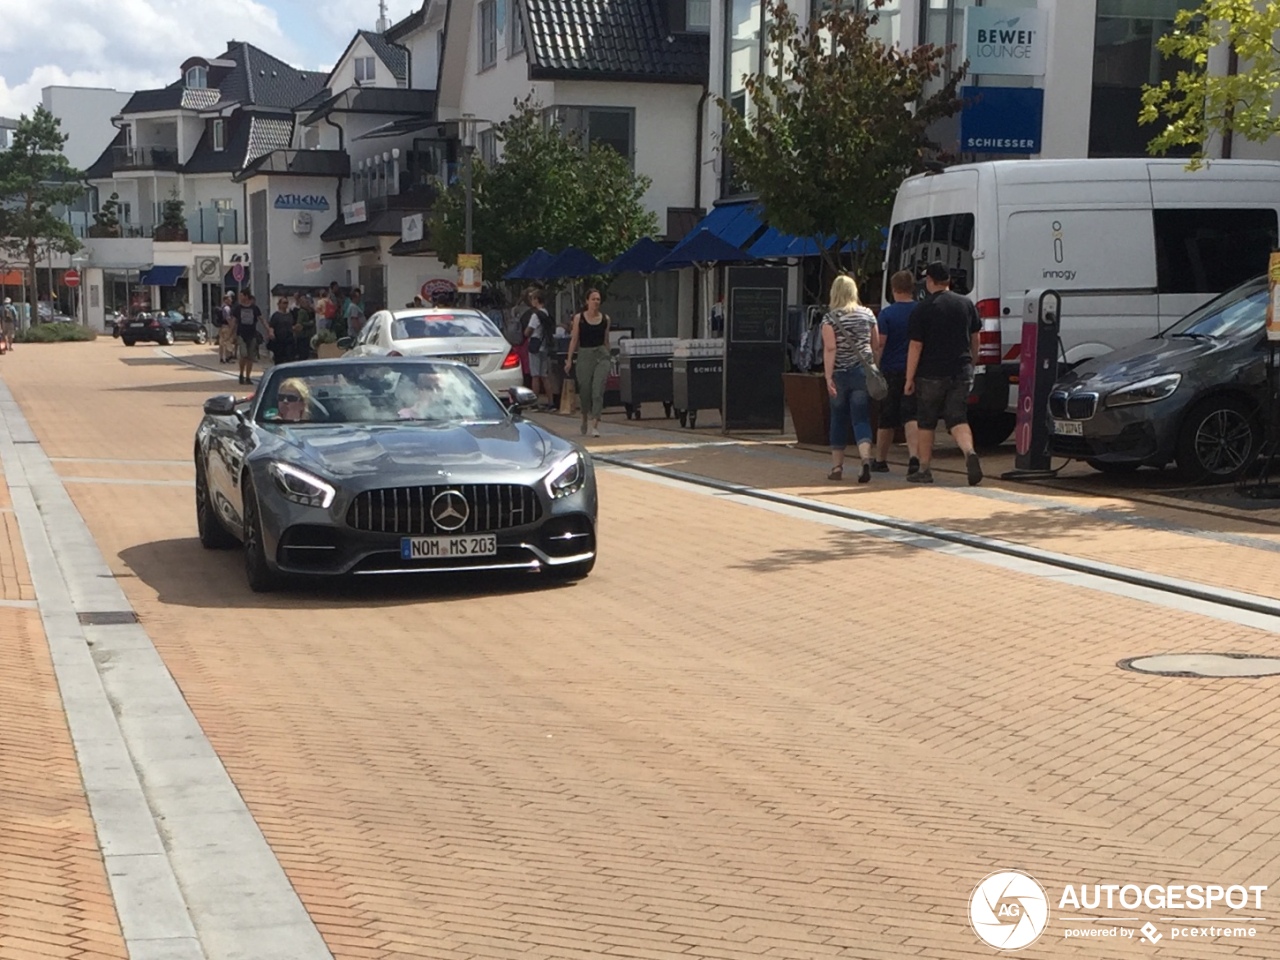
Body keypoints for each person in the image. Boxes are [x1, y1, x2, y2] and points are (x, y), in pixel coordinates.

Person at [904, 261, 983, 486]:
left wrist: (909, 378)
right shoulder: (966, 304)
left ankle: (924, 469)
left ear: (930, 281)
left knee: (926, 421)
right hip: (961, 370)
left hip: (931, 373)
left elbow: (915, 346)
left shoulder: (922, 309)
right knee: (957, 417)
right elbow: (975, 338)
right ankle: (969, 452)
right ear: (948, 280)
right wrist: (972, 362)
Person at [822, 275, 881, 483]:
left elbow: (830, 349)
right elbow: (875, 345)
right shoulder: (867, 314)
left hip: (840, 373)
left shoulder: (830, 318)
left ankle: (837, 467)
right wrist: (874, 367)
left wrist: (828, 377)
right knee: (861, 417)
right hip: (862, 373)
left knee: (838, 419)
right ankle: (865, 458)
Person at [873, 270, 921, 474]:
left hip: (891, 370)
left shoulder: (886, 314)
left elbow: (880, 344)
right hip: (916, 369)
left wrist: (875, 366)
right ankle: (914, 457)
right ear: (912, 288)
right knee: (911, 415)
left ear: (893, 289)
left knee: (887, 417)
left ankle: (880, 460)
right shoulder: (920, 311)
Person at [564, 288, 611, 437]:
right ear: (587, 301)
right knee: (585, 390)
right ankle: (584, 416)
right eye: (593, 299)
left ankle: (595, 423)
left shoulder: (605, 319)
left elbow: (606, 340)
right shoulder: (579, 318)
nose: (596, 302)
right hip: (584, 354)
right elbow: (574, 339)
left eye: (598, 299)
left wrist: (609, 356)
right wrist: (569, 359)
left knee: (598, 390)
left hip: (601, 355)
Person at [521, 289, 553, 409]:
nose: (532, 301)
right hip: (545, 345)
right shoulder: (547, 313)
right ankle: (551, 402)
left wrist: (525, 332)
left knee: (535, 375)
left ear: (536, 300)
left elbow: (528, 331)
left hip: (535, 345)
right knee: (544, 375)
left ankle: (534, 403)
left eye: (533, 299)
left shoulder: (536, 315)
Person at [235, 290, 271, 386]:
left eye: (241, 295)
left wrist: (268, 329)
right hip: (241, 334)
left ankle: (247, 377)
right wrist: (231, 336)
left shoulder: (254, 308)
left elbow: (262, 319)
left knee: (250, 357)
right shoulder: (238, 308)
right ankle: (241, 374)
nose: (240, 297)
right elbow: (234, 322)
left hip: (252, 334)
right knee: (244, 354)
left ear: (246, 296)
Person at [268, 297, 296, 366]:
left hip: (289, 339)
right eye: (284, 303)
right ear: (279, 304)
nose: (285, 305)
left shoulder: (290, 315)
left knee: (289, 357)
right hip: (279, 340)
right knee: (279, 359)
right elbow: (271, 326)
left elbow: (292, 325)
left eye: (287, 303)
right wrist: (271, 333)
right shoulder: (275, 315)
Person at [217, 293, 236, 363]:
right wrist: (232, 327)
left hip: (221, 327)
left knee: (221, 343)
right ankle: (228, 357)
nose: (231, 300)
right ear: (226, 300)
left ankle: (221, 358)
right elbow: (228, 318)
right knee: (228, 341)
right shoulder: (227, 308)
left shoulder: (221, 307)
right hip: (226, 327)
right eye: (229, 299)